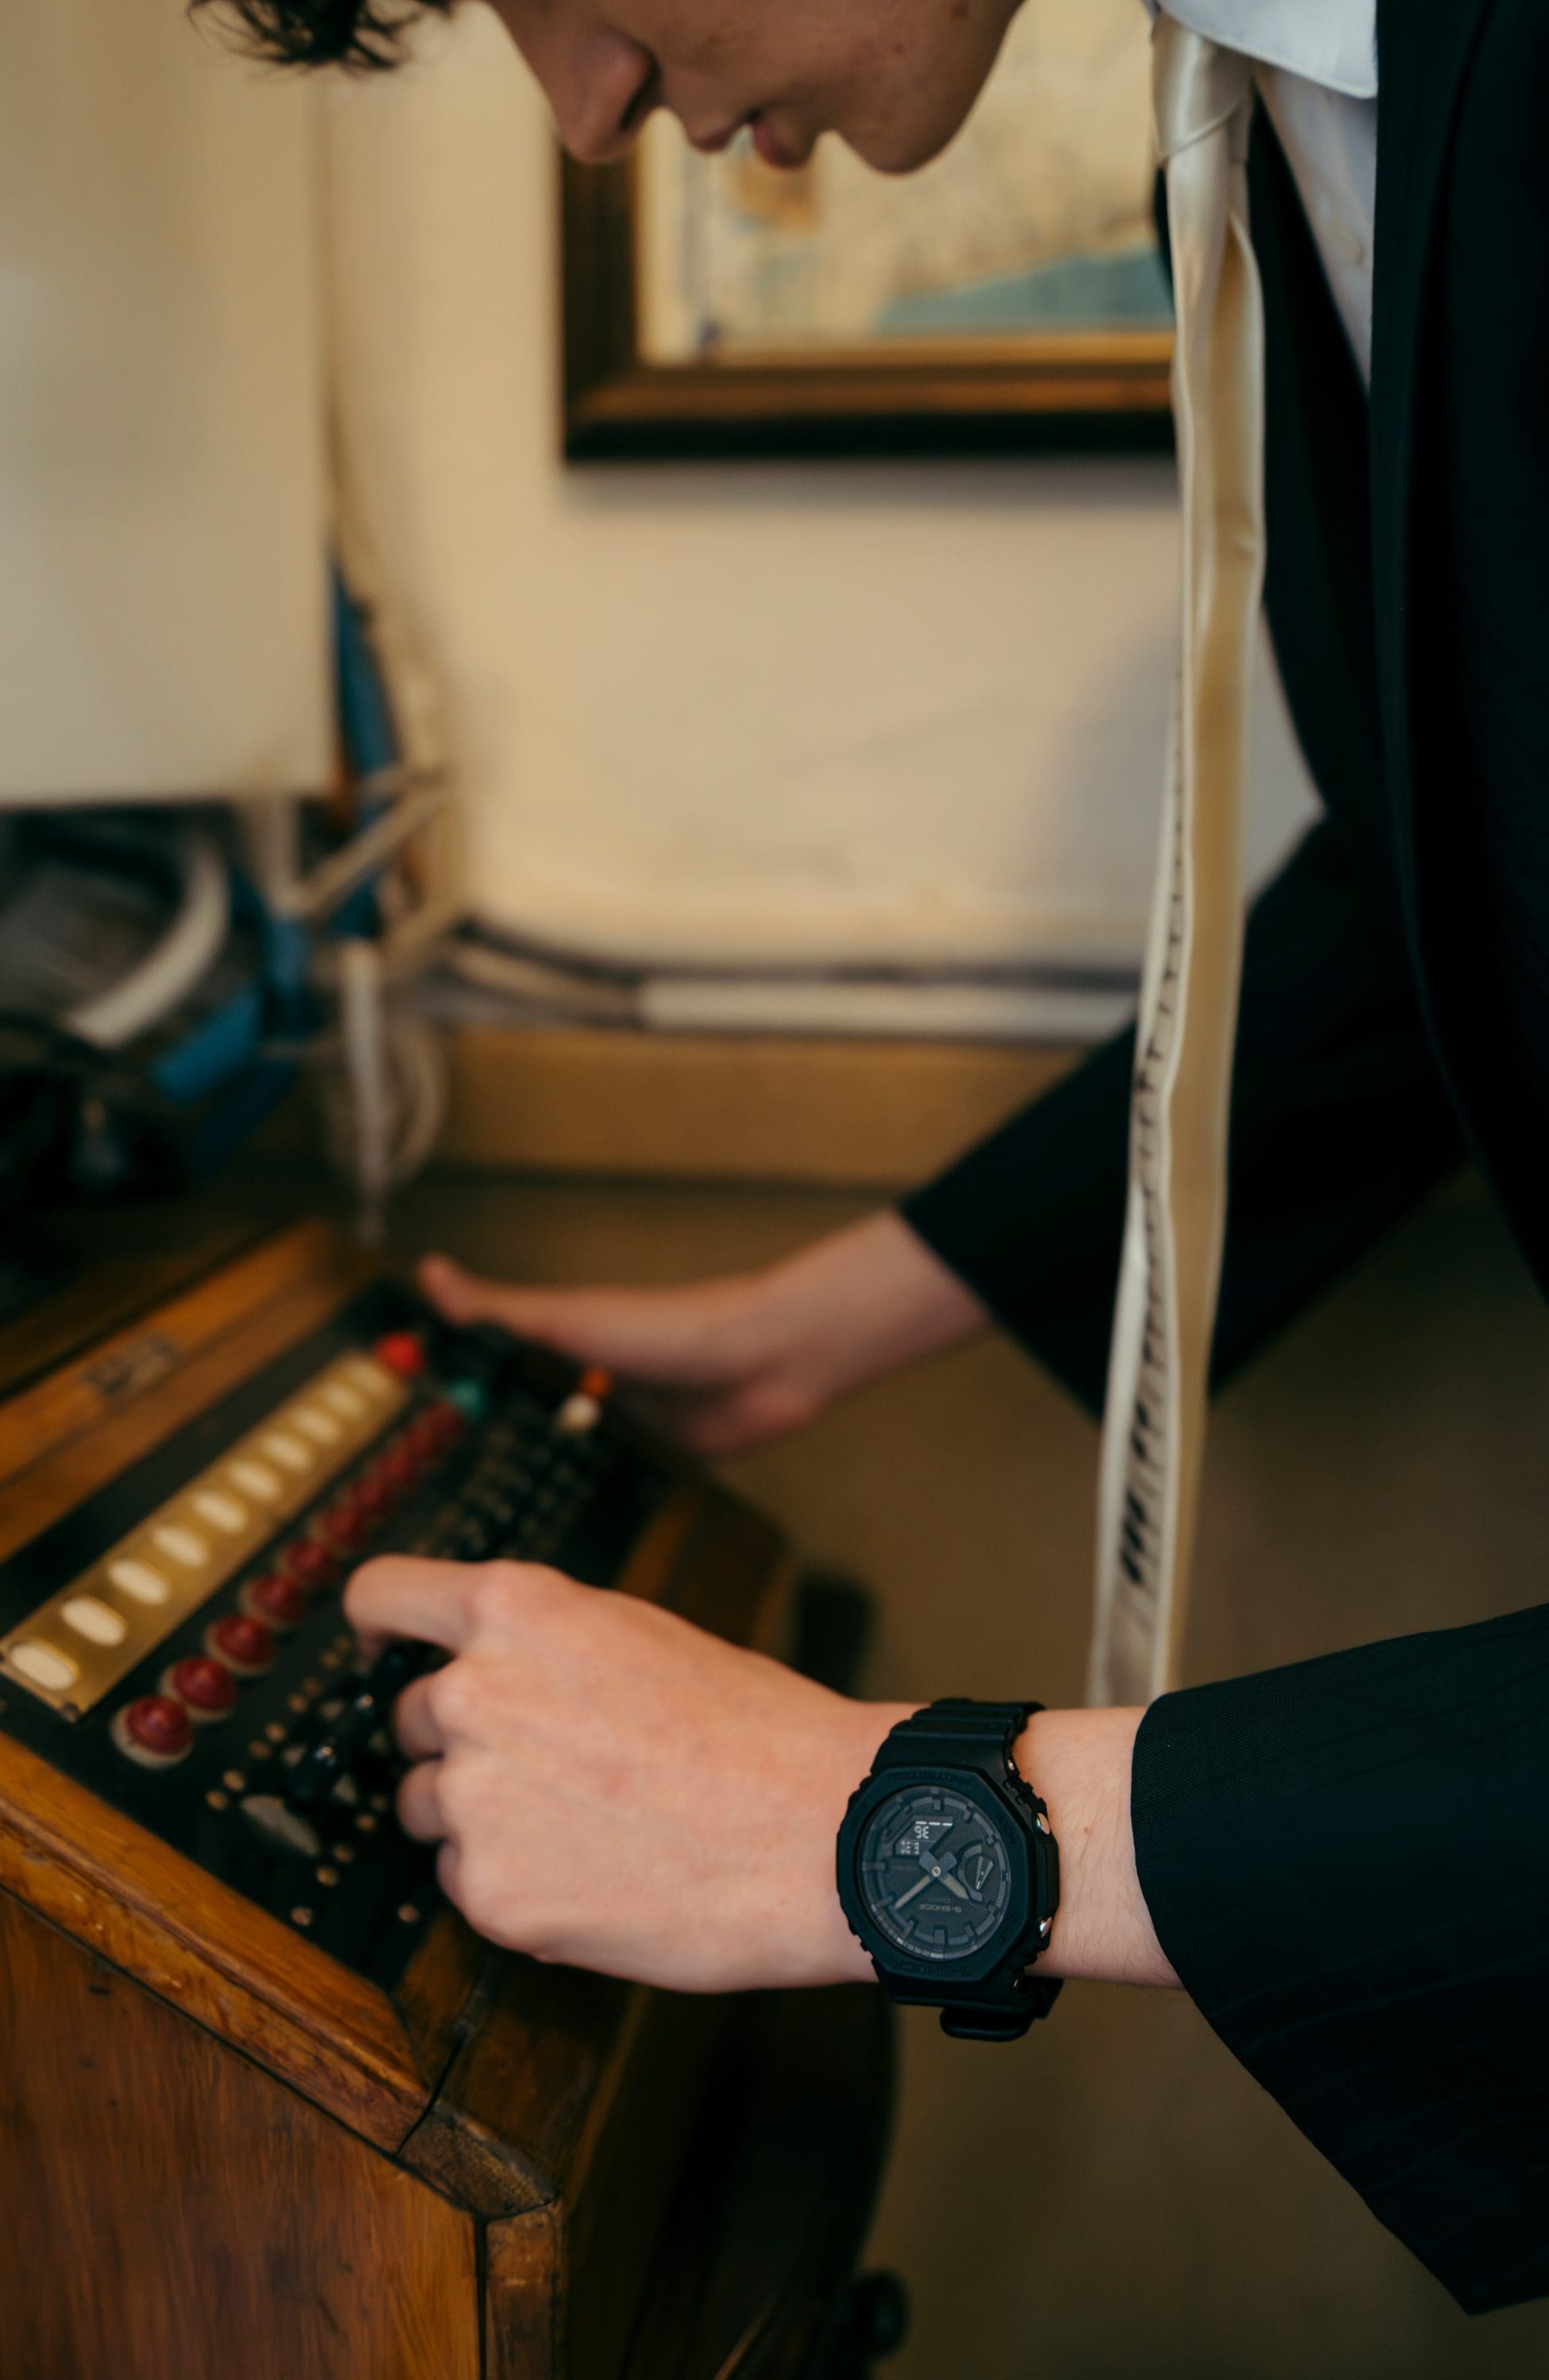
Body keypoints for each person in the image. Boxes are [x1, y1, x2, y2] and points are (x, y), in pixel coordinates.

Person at [216, 0, 1549, 2317]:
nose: (585, 108)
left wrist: (887, 1819)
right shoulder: (1277, 114)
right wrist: (797, 1325)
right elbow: (1468, 858)